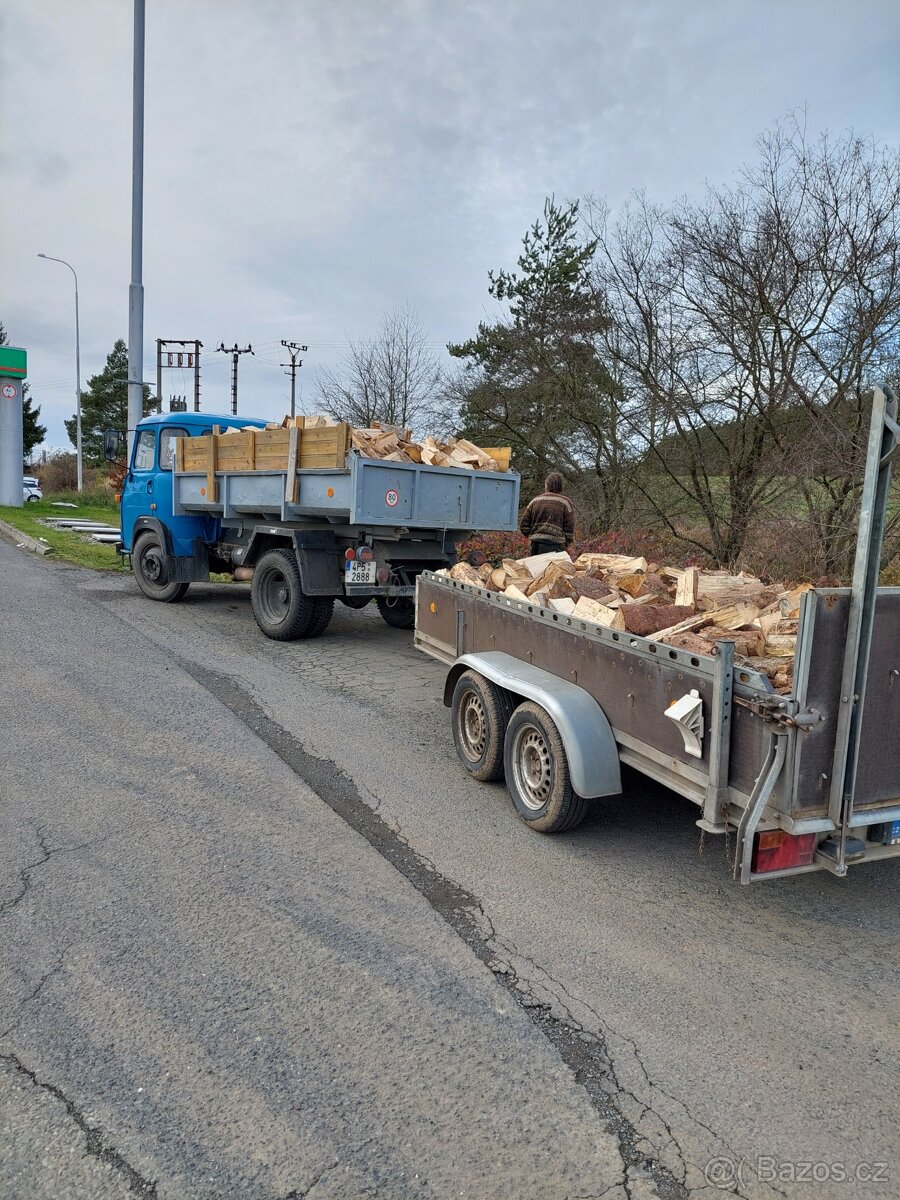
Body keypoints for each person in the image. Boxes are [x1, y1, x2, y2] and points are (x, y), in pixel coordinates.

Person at [519, 472, 575, 557]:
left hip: (535, 546)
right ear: (561, 486)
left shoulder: (535, 501)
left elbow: (523, 526)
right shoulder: (565, 502)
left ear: (547, 485)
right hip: (556, 546)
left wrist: (534, 535)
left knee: (536, 569)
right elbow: (570, 527)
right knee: (554, 570)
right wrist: (567, 543)